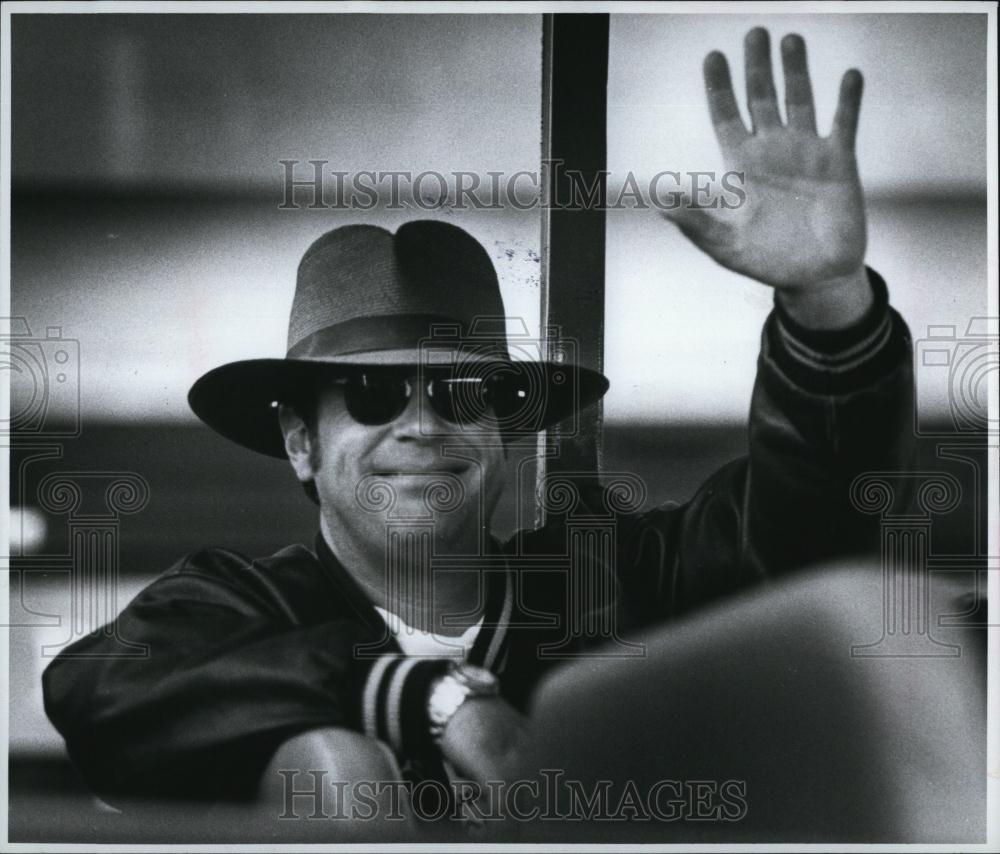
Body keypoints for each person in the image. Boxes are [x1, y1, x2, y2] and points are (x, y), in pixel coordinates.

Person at [43, 28, 913, 823]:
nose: (422, 425)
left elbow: (811, 529)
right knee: (333, 767)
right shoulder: (238, 607)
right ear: (302, 440)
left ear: (506, 422)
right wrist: (430, 697)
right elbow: (100, 686)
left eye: (461, 392)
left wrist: (826, 302)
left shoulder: (612, 582)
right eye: (372, 394)